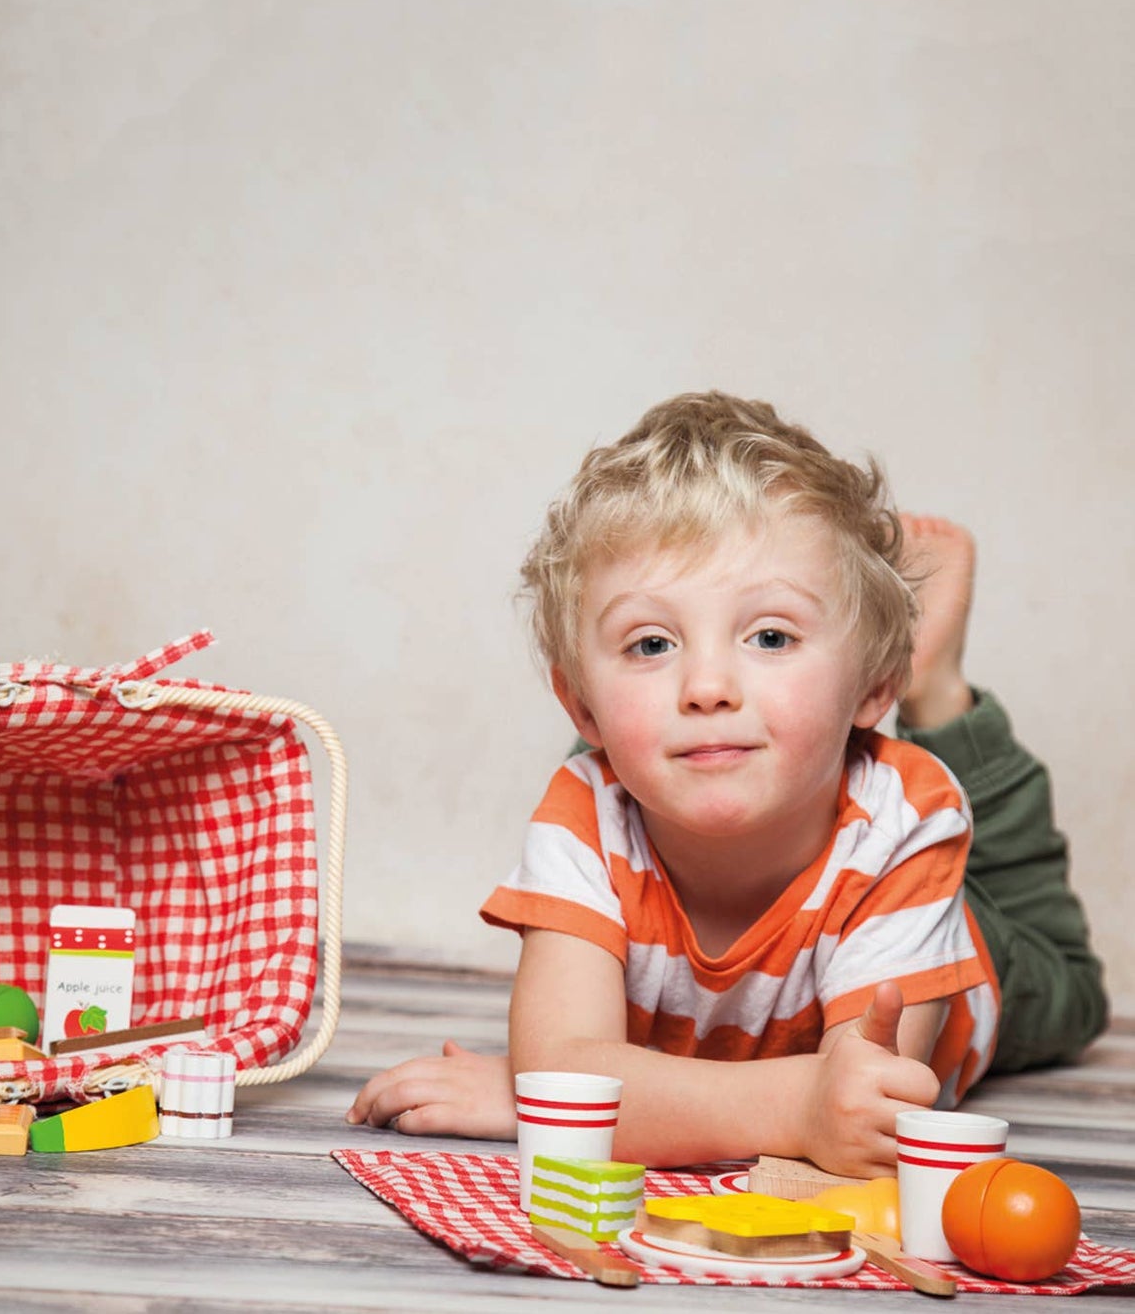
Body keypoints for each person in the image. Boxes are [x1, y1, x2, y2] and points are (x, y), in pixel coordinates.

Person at [346, 393, 1108, 1175]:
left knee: (1067, 988)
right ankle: (665, 684)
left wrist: (563, 1102)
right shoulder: (583, 810)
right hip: (687, 785)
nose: (706, 682)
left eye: (770, 634)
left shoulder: (904, 820)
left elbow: (867, 1111)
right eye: (653, 642)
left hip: (963, 942)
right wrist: (791, 1104)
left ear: (873, 687)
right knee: (654, 749)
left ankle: (934, 688)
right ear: (575, 706)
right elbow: (566, 1074)